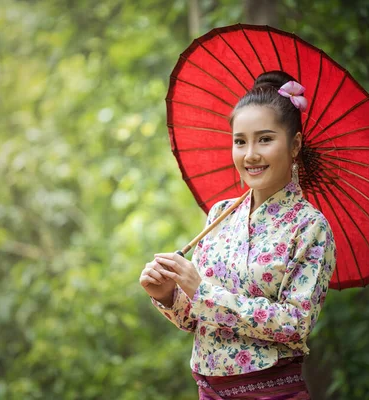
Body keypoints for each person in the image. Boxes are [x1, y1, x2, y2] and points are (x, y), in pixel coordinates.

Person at [140, 70, 337, 399]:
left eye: (265, 139)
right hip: (209, 390)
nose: (250, 154)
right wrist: (167, 295)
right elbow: (195, 318)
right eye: (240, 141)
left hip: (272, 392)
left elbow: (295, 323)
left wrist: (202, 291)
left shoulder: (309, 226)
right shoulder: (219, 214)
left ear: (295, 144)